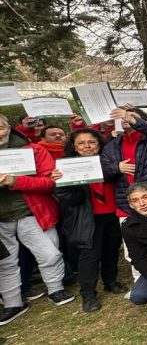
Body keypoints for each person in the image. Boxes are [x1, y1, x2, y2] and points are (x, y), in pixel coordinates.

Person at [0, 114, 75, 325]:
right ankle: (13, 302)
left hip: (32, 212)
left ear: (8, 128)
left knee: (49, 254)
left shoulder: (33, 150)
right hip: (2, 219)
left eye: (0, 128)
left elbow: (48, 183)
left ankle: (55, 289)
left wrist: (13, 181)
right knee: (5, 263)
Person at [53, 128, 127, 312]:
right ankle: (88, 295)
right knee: (90, 256)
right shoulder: (66, 166)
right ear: (74, 147)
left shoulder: (110, 161)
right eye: (81, 143)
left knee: (111, 250)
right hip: (88, 218)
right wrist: (62, 181)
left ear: (99, 143)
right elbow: (65, 196)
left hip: (112, 213)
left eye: (91, 142)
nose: (87, 146)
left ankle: (110, 281)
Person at [102, 105, 147, 217]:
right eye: (123, 116)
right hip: (127, 207)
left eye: (131, 115)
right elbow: (103, 174)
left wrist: (134, 121)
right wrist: (116, 168)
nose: (126, 118)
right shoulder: (111, 146)